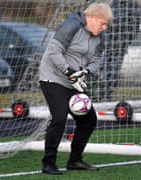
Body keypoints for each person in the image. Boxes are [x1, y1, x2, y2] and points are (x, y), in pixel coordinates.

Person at [39, 3, 114, 175]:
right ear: (92, 17)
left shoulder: (100, 36)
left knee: (89, 120)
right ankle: (48, 163)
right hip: (53, 77)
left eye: (106, 25)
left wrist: (86, 72)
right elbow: (52, 52)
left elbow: (97, 59)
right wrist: (69, 71)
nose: (104, 28)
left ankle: (75, 161)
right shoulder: (71, 25)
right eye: (103, 23)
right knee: (59, 116)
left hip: (75, 81)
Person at [99, 0, 140, 101]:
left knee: (113, 71)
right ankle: (100, 93)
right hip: (107, 45)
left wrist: (127, 41)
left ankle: (107, 94)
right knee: (101, 68)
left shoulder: (132, 6)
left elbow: (135, 26)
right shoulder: (113, 4)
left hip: (120, 46)